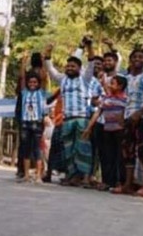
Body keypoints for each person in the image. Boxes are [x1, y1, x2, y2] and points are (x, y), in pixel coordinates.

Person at [44, 42, 95, 187]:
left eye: (73, 66)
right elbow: (50, 69)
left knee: (83, 148)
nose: (70, 68)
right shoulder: (62, 80)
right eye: (68, 66)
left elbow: (91, 63)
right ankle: (72, 177)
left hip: (82, 119)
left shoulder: (85, 78)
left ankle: (85, 178)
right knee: (69, 149)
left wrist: (89, 46)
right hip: (67, 120)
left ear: (79, 68)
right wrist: (48, 54)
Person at [83, 74, 127, 194]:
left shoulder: (125, 99)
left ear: (120, 86)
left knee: (120, 157)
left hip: (120, 132)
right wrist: (88, 128)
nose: (109, 85)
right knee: (107, 157)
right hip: (107, 130)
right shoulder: (106, 99)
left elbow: (125, 114)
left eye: (112, 83)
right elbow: (97, 113)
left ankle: (120, 182)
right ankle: (107, 181)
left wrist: (123, 126)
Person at [121, 48, 143, 196]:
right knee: (128, 151)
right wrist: (122, 117)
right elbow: (122, 98)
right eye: (135, 57)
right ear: (130, 59)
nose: (137, 59)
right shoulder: (125, 78)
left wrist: (140, 113)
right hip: (127, 117)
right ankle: (128, 184)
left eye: (141, 57)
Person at [18, 63, 46, 184]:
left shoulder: (41, 92)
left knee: (37, 149)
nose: (32, 84)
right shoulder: (24, 92)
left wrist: (43, 61)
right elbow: (22, 77)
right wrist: (23, 62)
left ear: (38, 83)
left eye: (35, 82)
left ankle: (38, 176)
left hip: (37, 123)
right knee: (26, 149)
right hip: (25, 123)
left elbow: (44, 77)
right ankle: (26, 175)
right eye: (30, 82)